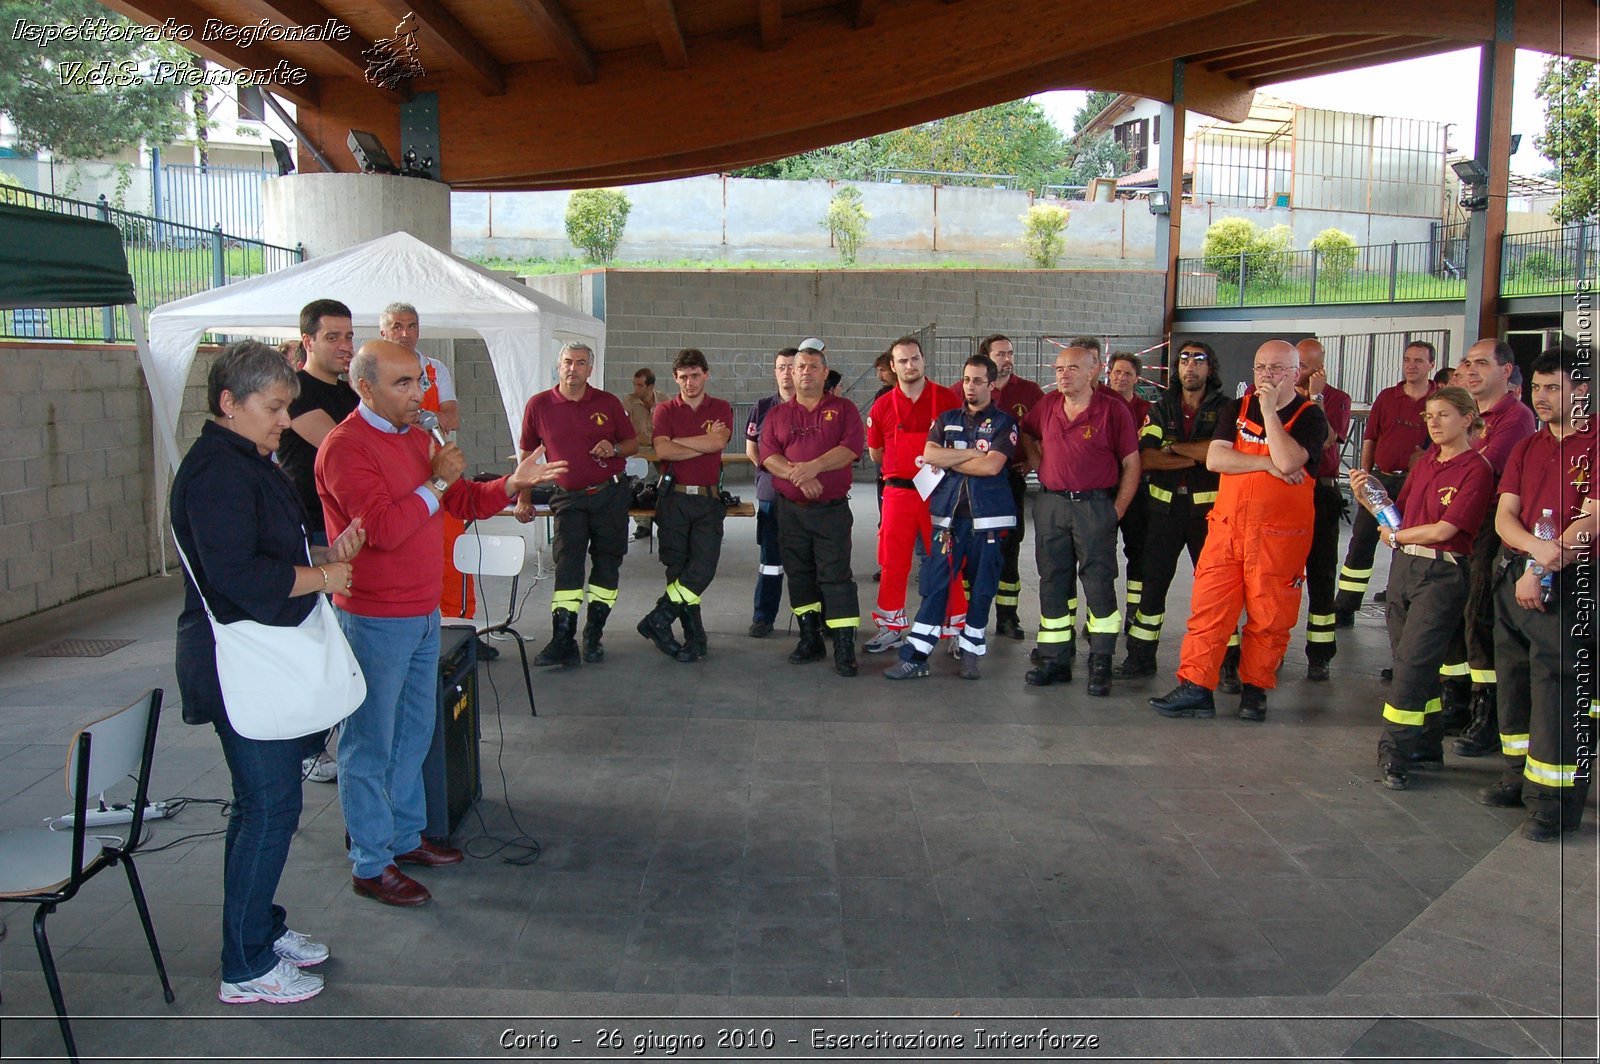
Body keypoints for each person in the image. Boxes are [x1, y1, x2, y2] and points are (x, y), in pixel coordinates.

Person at [318, 340, 565, 907]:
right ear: (366, 388)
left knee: (413, 736)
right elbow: (381, 528)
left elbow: (462, 502)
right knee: (369, 743)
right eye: (403, 383)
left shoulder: (418, 437)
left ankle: (405, 838)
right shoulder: (344, 448)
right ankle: (370, 862)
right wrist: (433, 483)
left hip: (423, 611)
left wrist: (512, 484)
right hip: (374, 617)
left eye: (420, 381)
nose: (418, 395)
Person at [172, 341, 365, 1004]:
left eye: (288, 407)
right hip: (237, 664)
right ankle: (245, 965)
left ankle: (256, 928)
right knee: (269, 808)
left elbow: (267, 547)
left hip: (260, 657)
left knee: (265, 808)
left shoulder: (246, 462)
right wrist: (322, 575)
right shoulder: (217, 473)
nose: (285, 419)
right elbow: (236, 578)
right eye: (274, 407)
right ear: (229, 403)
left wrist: (323, 552)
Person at [1150, 339, 1329, 722]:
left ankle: (1255, 690)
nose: (1267, 375)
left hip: (1278, 538)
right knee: (1209, 610)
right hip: (1228, 530)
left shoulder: (1311, 417)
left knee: (1270, 617)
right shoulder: (1236, 407)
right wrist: (1266, 465)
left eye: (1278, 369)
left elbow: (1290, 457)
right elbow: (1216, 459)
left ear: (1295, 374)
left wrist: (1268, 413)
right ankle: (1196, 687)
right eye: (1261, 368)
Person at [1479, 347, 1596, 840]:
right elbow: (1507, 512)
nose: (1541, 398)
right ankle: (1518, 775)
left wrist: (1545, 560)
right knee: (1515, 681)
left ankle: (1555, 801)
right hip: (1517, 576)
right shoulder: (1529, 446)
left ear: (1583, 391)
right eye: (1538, 388)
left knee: (1557, 690)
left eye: (1554, 387)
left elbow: (1592, 518)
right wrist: (1531, 554)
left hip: (1568, 584)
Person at [1355, 387, 1493, 791]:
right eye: (1429, 416)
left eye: (1443, 415)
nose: (1432, 423)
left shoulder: (1476, 468)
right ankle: (1427, 743)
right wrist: (1369, 498)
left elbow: (1446, 529)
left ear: (1467, 419)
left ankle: (1394, 750)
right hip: (1405, 567)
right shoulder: (1428, 461)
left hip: (1441, 572)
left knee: (1413, 663)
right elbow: (1400, 518)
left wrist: (1397, 537)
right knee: (1409, 659)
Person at [883, 354, 1019, 681]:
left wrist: (952, 459)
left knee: (984, 587)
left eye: (977, 381)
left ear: (991, 384)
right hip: (947, 519)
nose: (970, 387)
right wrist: (972, 453)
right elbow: (929, 455)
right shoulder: (946, 419)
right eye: (966, 380)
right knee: (934, 584)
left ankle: (971, 652)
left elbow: (992, 466)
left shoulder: (1004, 423)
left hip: (986, 521)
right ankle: (915, 656)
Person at [1019, 344, 1140, 696]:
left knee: (1099, 584)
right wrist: (1037, 461)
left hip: (1094, 507)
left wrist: (1116, 510)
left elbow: (1132, 464)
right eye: (1058, 369)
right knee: (1052, 580)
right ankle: (1055, 659)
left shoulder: (1113, 411)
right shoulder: (1047, 406)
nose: (1063, 375)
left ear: (1094, 372)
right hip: (1052, 505)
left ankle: (1100, 661)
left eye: (1072, 368)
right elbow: (1026, 432)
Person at [274, 299, 357, 785]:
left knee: (341, 638)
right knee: (317, 638)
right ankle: (306, 746)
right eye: (333, 337)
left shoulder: (348, 392)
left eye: (349, 337)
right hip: (311, 531)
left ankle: (334, 729)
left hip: (344, 529)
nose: (345, 346)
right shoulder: (299, 393)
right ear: (307, 341)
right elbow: (343, 448)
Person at [514, 341, 639, 666]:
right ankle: (563, 640)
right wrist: (524, 497)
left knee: (607, 565)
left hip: (609, 496)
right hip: (567, 498)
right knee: (568, 568)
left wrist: (612, 448)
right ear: (559, 366)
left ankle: (594, 635)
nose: (573, 368)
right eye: (568, 362)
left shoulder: (607, 402)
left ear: (590, 369)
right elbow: (528, 454)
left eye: (581, 363)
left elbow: (631, 443)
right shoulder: (539, 405)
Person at [1444, 339, 1537, 757]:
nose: (1472, 370)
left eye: (1483, 363)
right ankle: (1456, 698)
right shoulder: (1469, 415)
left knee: (1479, 613)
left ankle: (1488, 715)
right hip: (1455, 521)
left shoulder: (1515, 418)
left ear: (1507, 371)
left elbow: (1477, 468)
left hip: (1489, 523)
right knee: (1451, 609)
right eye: (1468, 363)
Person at [377, 302, 487, 657]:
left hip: (441, 473)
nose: (404, 333)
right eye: (396, 326)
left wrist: (414, 415)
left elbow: (450, 418)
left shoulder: (435, 369)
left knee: (453, 553)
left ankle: (461, 629)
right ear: (384, 332)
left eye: (410, 325)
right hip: (397, 478)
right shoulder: (371, 370)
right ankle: (415, 632)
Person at [1115, 340, 1228, 680]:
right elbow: (1146, 456)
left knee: (1214, 590)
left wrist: (1174, 447)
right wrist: (1198, 454)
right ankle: (1140, 657)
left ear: (1210, 368)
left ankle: (1226, 662)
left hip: (1207, 515)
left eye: (1198, 360)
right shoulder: (1161, 407)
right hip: (1163, 512)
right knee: (1152, 585)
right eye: (1183, 360)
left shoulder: (1226, 408)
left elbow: (1220, 452)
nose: (1190, 366)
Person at [759, 343, 867, 677]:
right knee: (800, 574)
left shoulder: (844, 409)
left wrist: (812, 467)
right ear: (791, 373)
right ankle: (809, 639)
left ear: (824, 372)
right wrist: (797, 475)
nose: (805, 372)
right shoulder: (777, 414)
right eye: (800, 367)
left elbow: (850, 449)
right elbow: (767, 455)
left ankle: (844, 646)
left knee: (836, 576)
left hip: (831, 511)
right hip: (790, 510)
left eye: (812, 366)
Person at [864, 336, 962, 654]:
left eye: (915, 359)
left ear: (923, 361)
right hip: (898, 494)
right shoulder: (882, 406)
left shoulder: (946, 399)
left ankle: (955, 628)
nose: (910, 365)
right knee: (892, 561)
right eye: (903, 361)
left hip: (939, 493)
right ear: (893, 366)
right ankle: (891, 626)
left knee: (946, 559)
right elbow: (876, 452)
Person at [636, 349, 734, 661]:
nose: (689, 382)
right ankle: (694, 637)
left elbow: (718, 443)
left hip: (707, 501)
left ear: (706, 374)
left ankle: (658, 619)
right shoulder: (664, 409)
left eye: (695, 375)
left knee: (703, 568)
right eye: (683, 377)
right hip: (674, 499)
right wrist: (700, 441)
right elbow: (663, 450)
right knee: (677, 570)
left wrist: (680, 442)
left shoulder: (720, 407)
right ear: (675, 378)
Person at [1333, 341, 1438, 628]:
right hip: (1381, 480)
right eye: (1407, 359)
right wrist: (1365, 477)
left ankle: (1399, 603)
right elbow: (1370, 438)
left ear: (1431, 364)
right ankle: (1346, 604)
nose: (1411, 365)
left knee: (1406, 545)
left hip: (1416, 486)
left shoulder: (1439, 400)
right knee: (1362, 541)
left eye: (1418, 360)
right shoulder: (1387, 397)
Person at [1295, 337, 1352, 682]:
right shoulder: (1280, 395)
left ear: (1318, 368)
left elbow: (1327, 438)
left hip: (1322, 494)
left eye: (1302, 366)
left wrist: (1314, 398)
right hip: (1286, 492)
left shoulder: (1337, 399)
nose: (1295, 371)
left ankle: (1320, 653)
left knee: (1321, 574)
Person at [985, 333, 1045, 639]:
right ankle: (968, 619)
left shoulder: (1030, 391)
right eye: (1000, 354)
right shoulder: (968, 388)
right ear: (986, 358)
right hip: (976, 483)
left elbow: (1045, 431)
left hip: (1011, 481)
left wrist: (1034, 461)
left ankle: (1007, 617)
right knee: (974, 550)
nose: (1007, 360)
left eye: (1010, 353)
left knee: (1009, 548)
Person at [744, 347, 798, 637]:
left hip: (805, 497)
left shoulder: (814, 407)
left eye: (792, 366)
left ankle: (813, 619)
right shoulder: (762, 407)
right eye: (781, 367)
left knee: (807, 560)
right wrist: (778, 469)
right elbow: (752, 449)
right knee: (770, 562)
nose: (787, 372)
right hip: (771, 496)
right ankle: (763, 616)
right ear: (775, 371)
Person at [1106, 351, 1152, 631]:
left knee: (1139, 552)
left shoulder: (1147, 410)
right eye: (1117, 372)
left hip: (1138, 491)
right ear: (1108, 374)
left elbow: (1149, 449)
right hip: (1104, 489)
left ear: (1137, 378)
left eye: (1127, 373)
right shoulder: (1097, 406)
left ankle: (1134, 609)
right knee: (1102, 555)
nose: (1121, 378)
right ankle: (1101, 612)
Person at [623, 368, 662, 540]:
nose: (636, 389)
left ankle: (662, 516)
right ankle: (642, 524)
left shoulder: (664, 400)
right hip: (638, 448)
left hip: (660, 445)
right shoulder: (629, 401)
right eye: (634, 385)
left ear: (650, 386)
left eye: (640, 386)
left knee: (664, 481)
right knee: (637, 484)